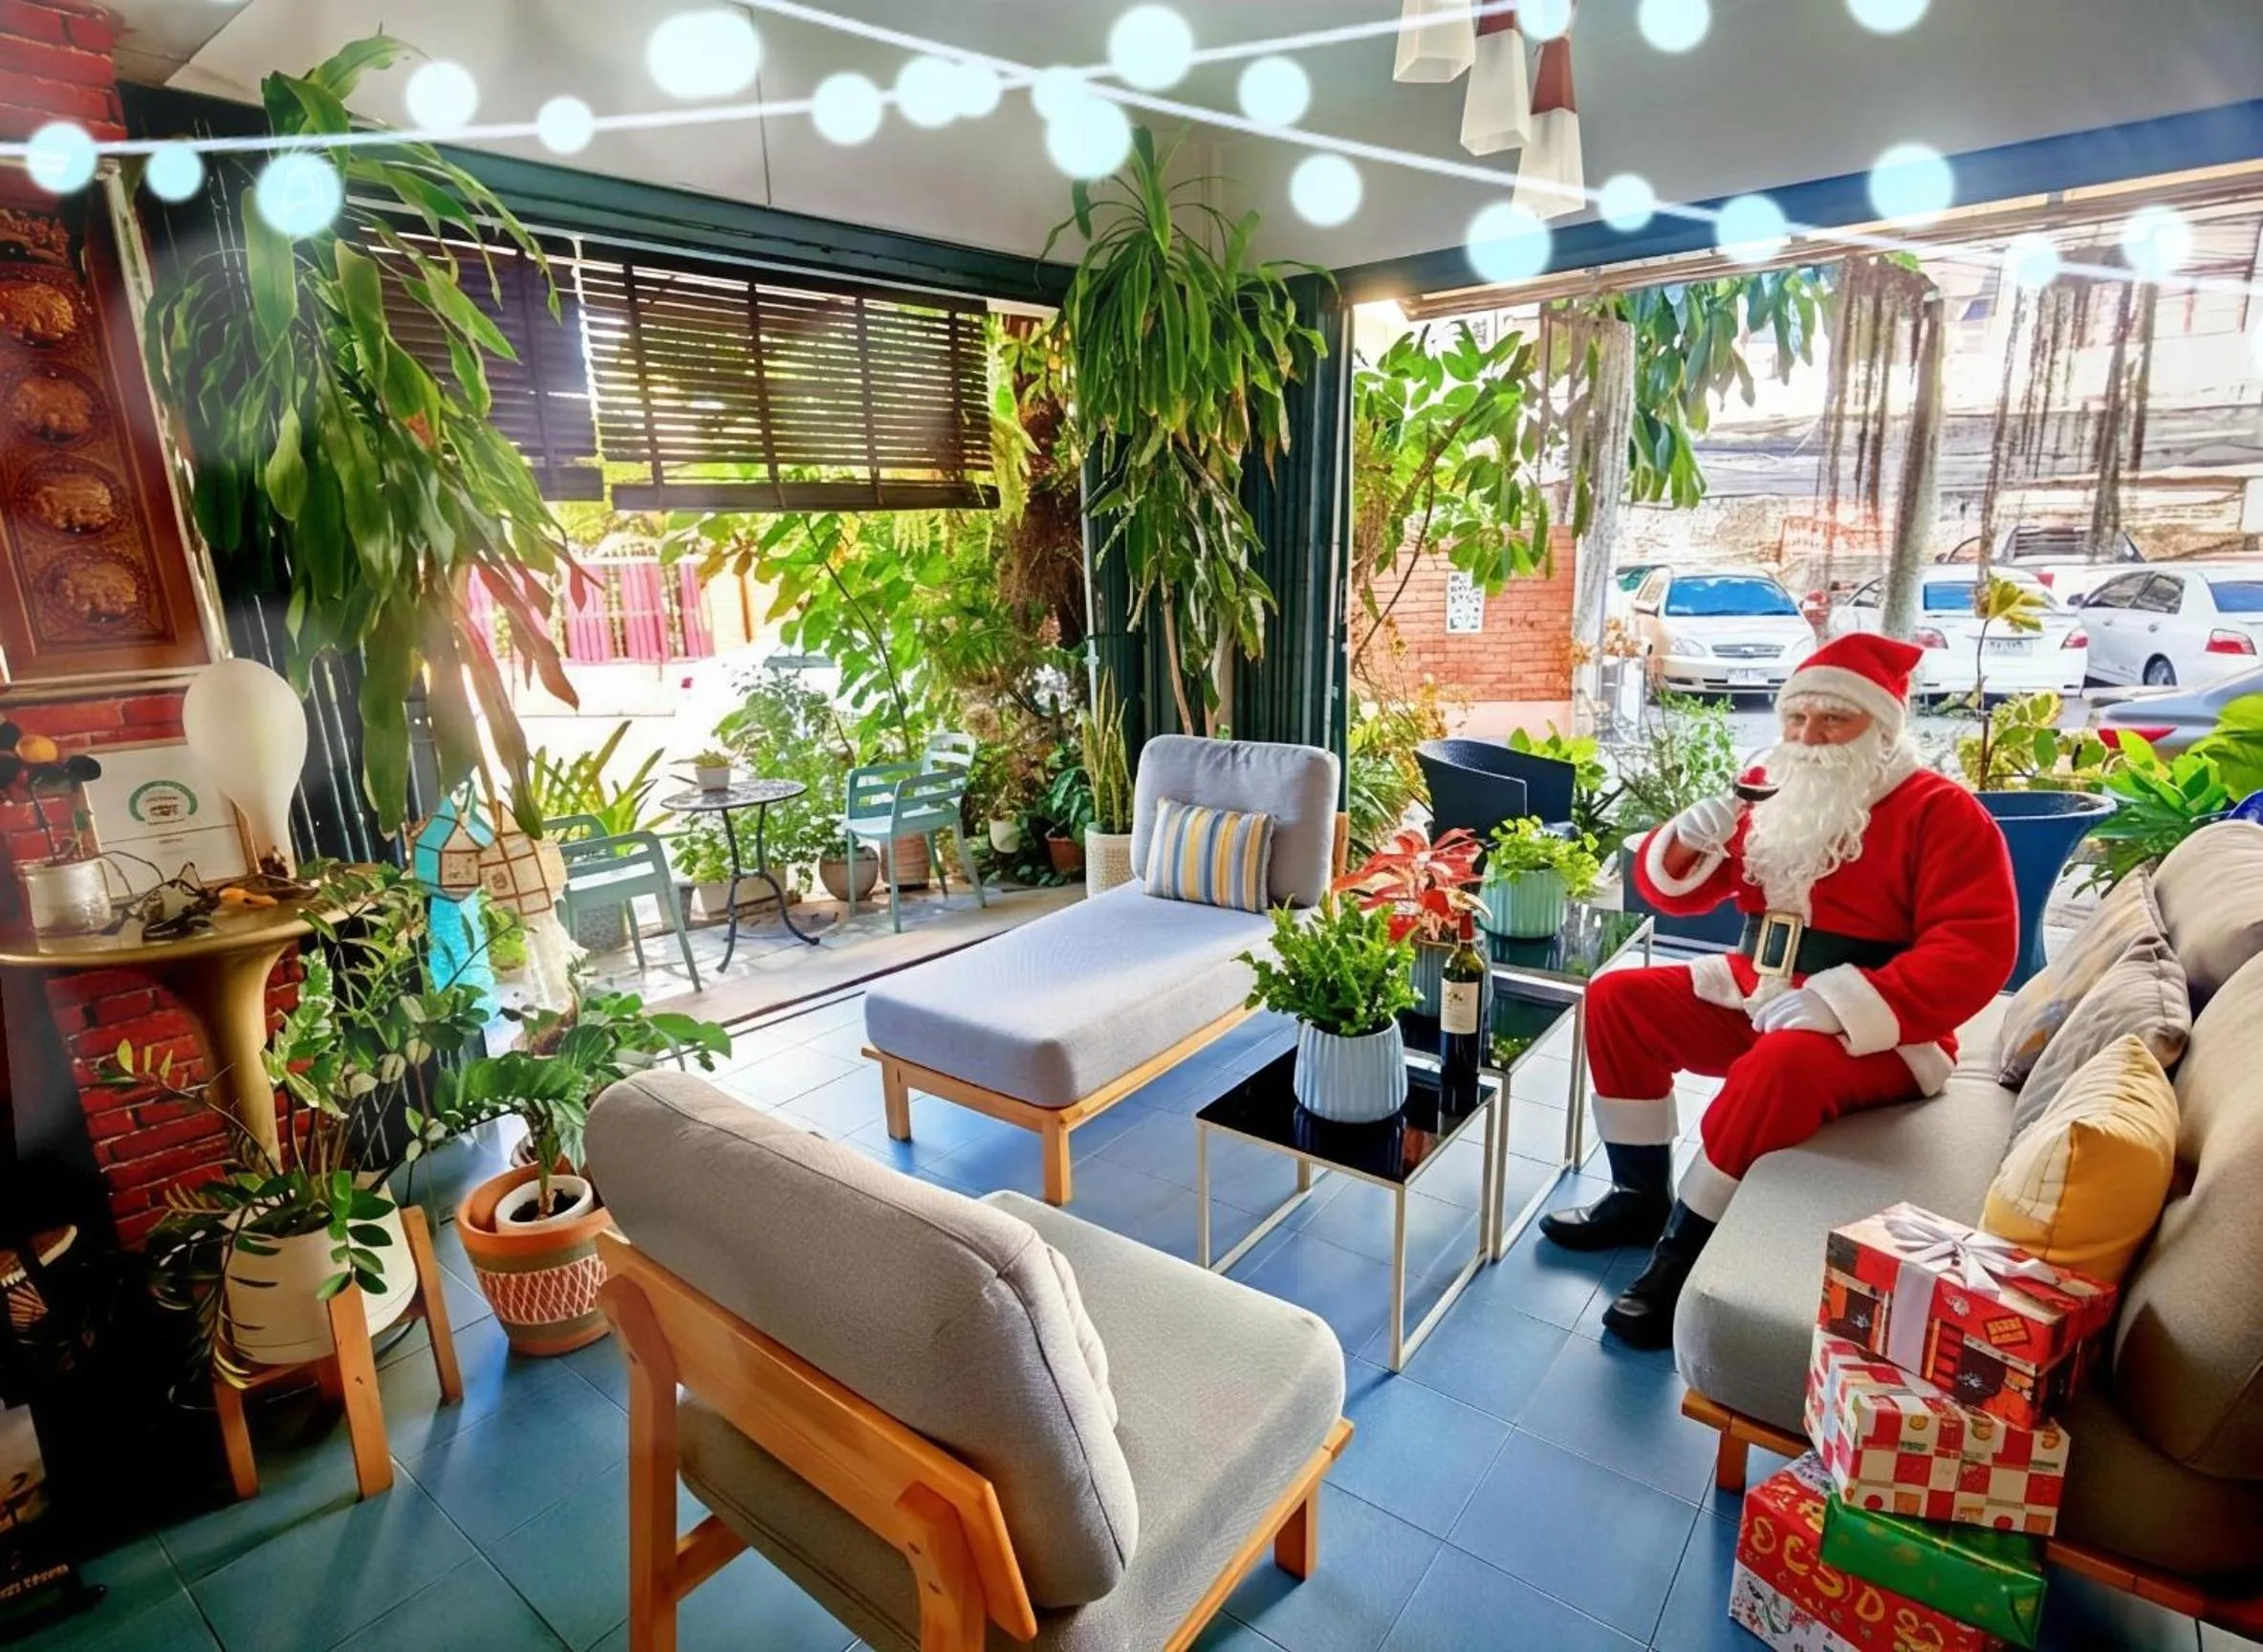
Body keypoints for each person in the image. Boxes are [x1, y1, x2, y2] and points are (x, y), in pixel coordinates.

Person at [1540, 633, 2019, 1349]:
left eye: (1833, 719)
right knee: (1619, 1001)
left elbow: (1976, 949)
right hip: (1757, 990)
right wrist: (1684, 842)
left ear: (1882, 726)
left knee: (1780, 1064)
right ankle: (1638, 1196)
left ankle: (1682, 1255)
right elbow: (1678, 897)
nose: (1809, 736)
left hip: (1881, 1028)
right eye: (1797, 717)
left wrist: (1838, 1003)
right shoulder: (1774, 785)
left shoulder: (1940, 810)